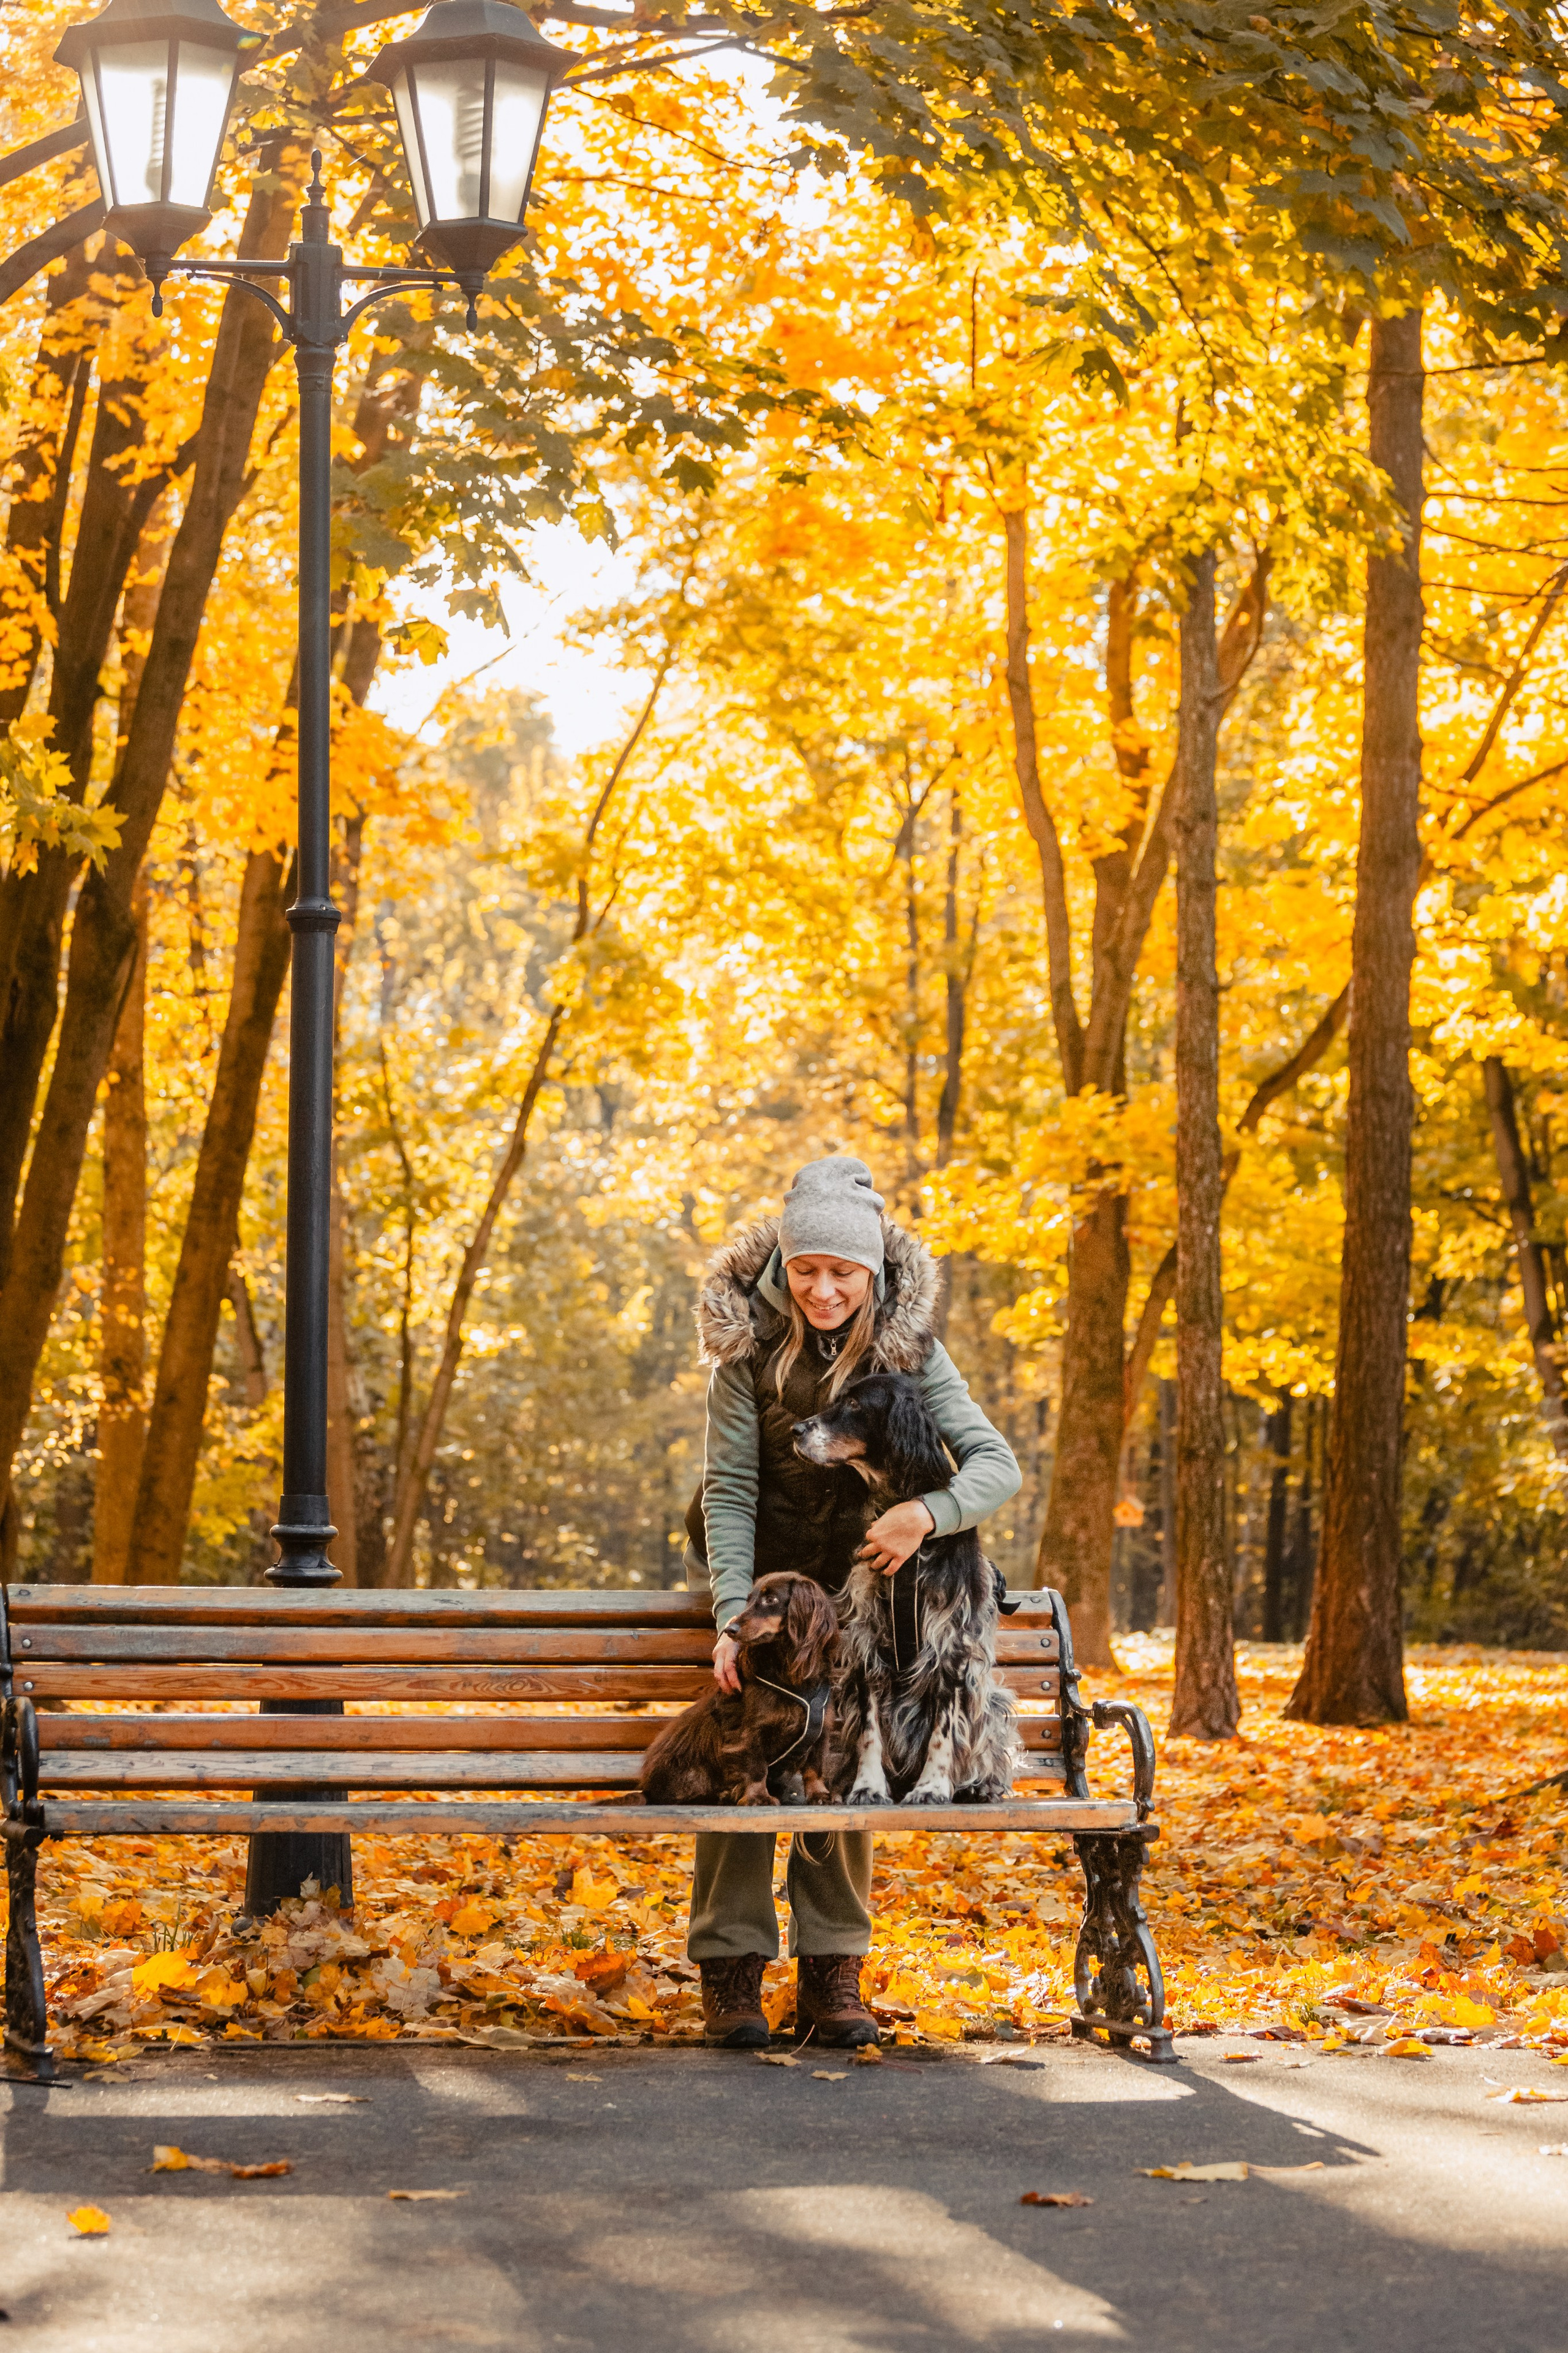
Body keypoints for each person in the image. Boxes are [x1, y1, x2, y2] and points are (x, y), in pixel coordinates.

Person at [682, 1156, 1022, 2047]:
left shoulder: (911, 1349)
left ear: (872, 1271)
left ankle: (832, 1970)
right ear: (782, 1266)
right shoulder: (744, 1349)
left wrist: (925, 1512)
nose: (823, 1289)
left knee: (838, 1746)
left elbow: (996, 1464)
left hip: (859, 1578)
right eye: (806, 1269)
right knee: (745, 1744)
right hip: (760, 1579)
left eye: (843, 1271)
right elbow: (728, 1492)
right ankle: (731, 1971)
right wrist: (731, 1614)